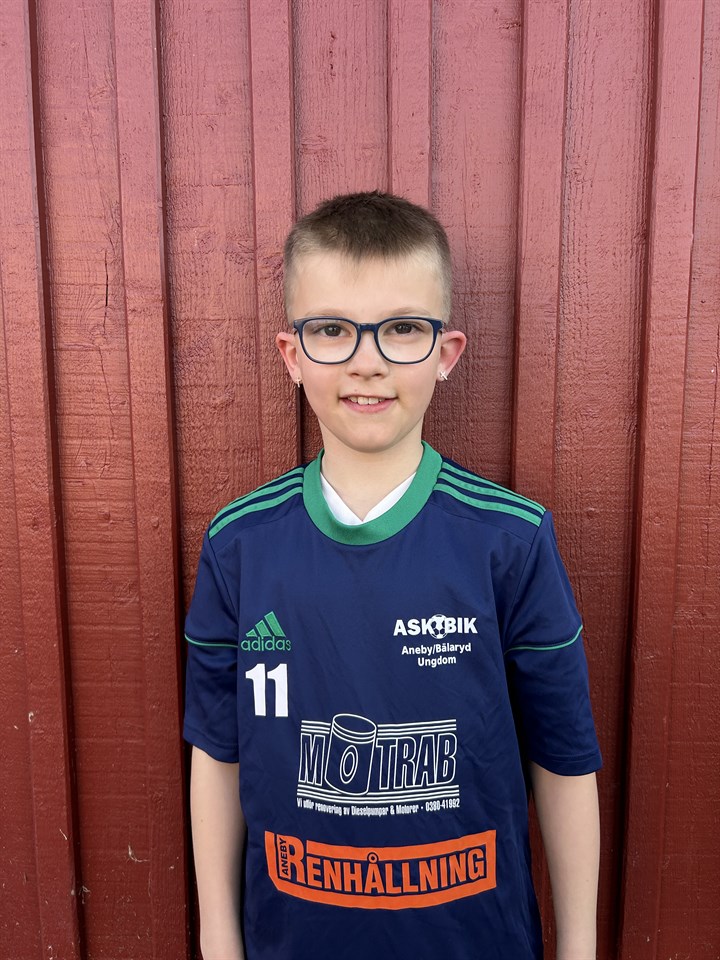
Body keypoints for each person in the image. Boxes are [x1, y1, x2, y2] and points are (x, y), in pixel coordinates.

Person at [183, 191, 601, 960]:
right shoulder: (239, 543)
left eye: (403, 329)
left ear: (446, 352)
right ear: (292, 354)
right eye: (332, 330)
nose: (367, 361)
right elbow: (217, 751)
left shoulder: (510, 539)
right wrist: (218, 937)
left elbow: (564, 757)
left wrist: (579, 948)